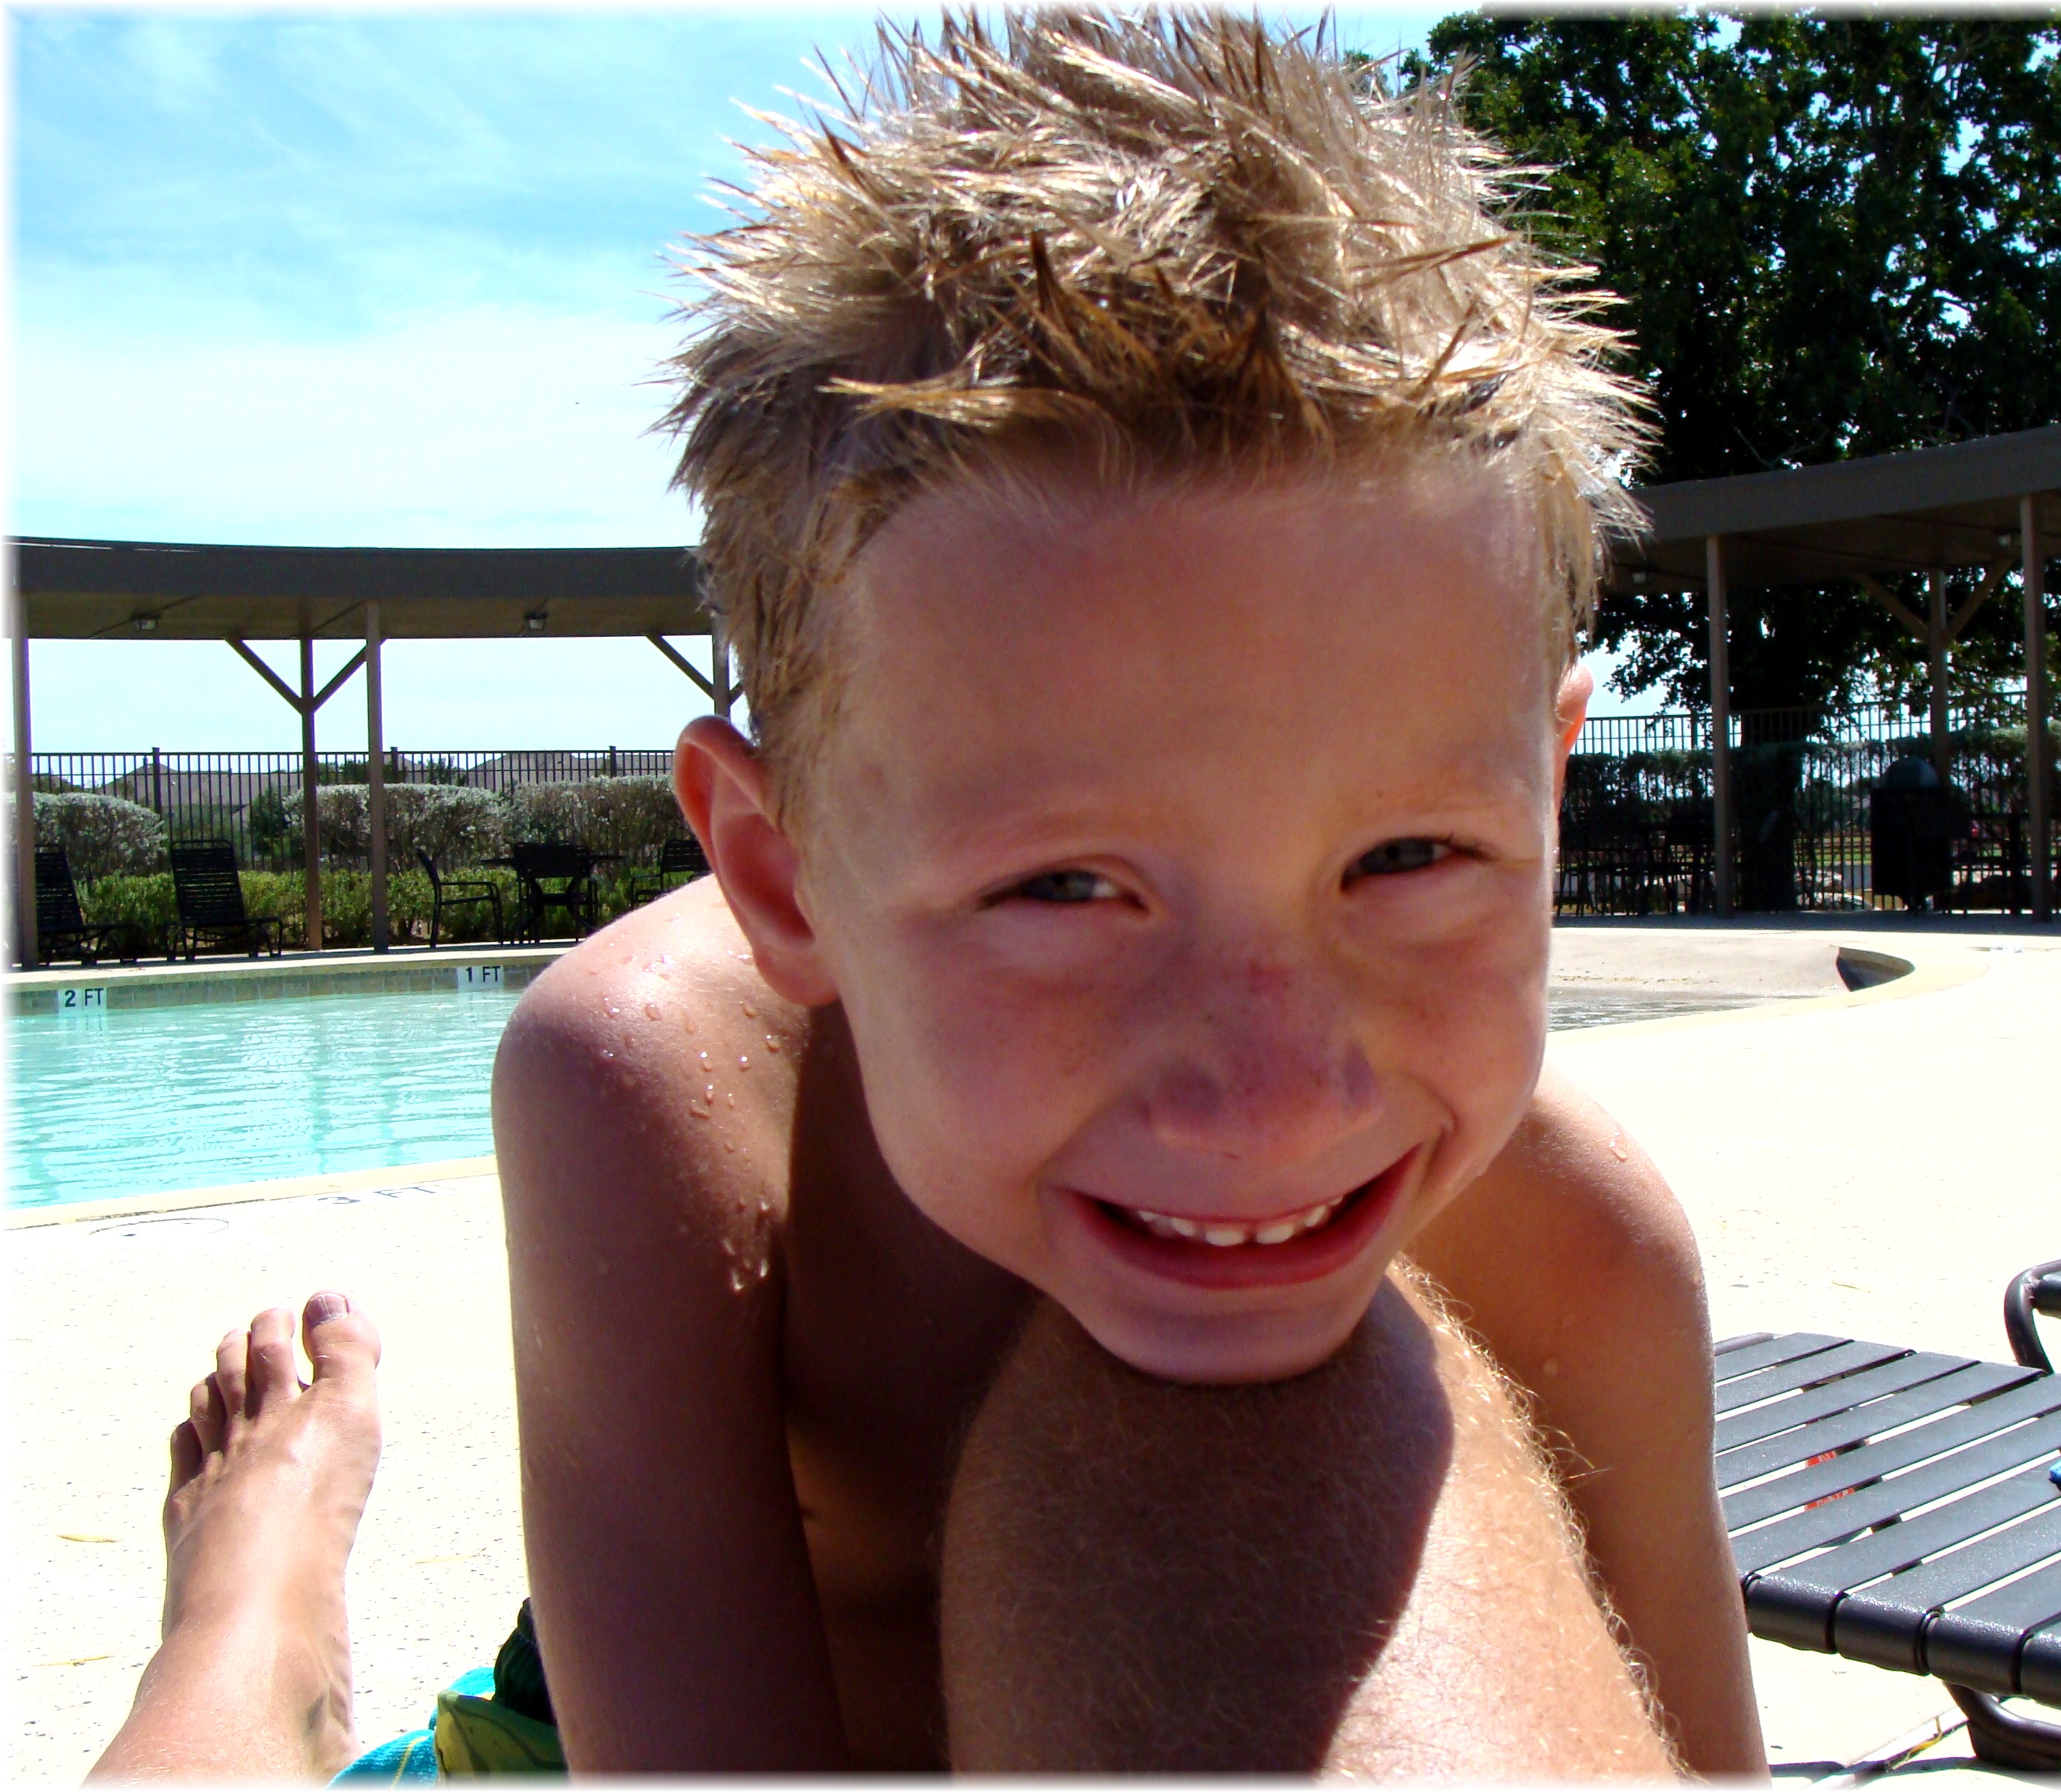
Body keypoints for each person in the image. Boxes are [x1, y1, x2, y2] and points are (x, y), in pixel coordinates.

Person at [93, 12, 1767, 1776]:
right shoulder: (662, 1093)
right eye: (1067, 889)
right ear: (782, 873)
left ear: (1547, 790)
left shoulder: (1587, 1253)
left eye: (1409, 858)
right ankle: (253, 1619)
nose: (1273, 1097)